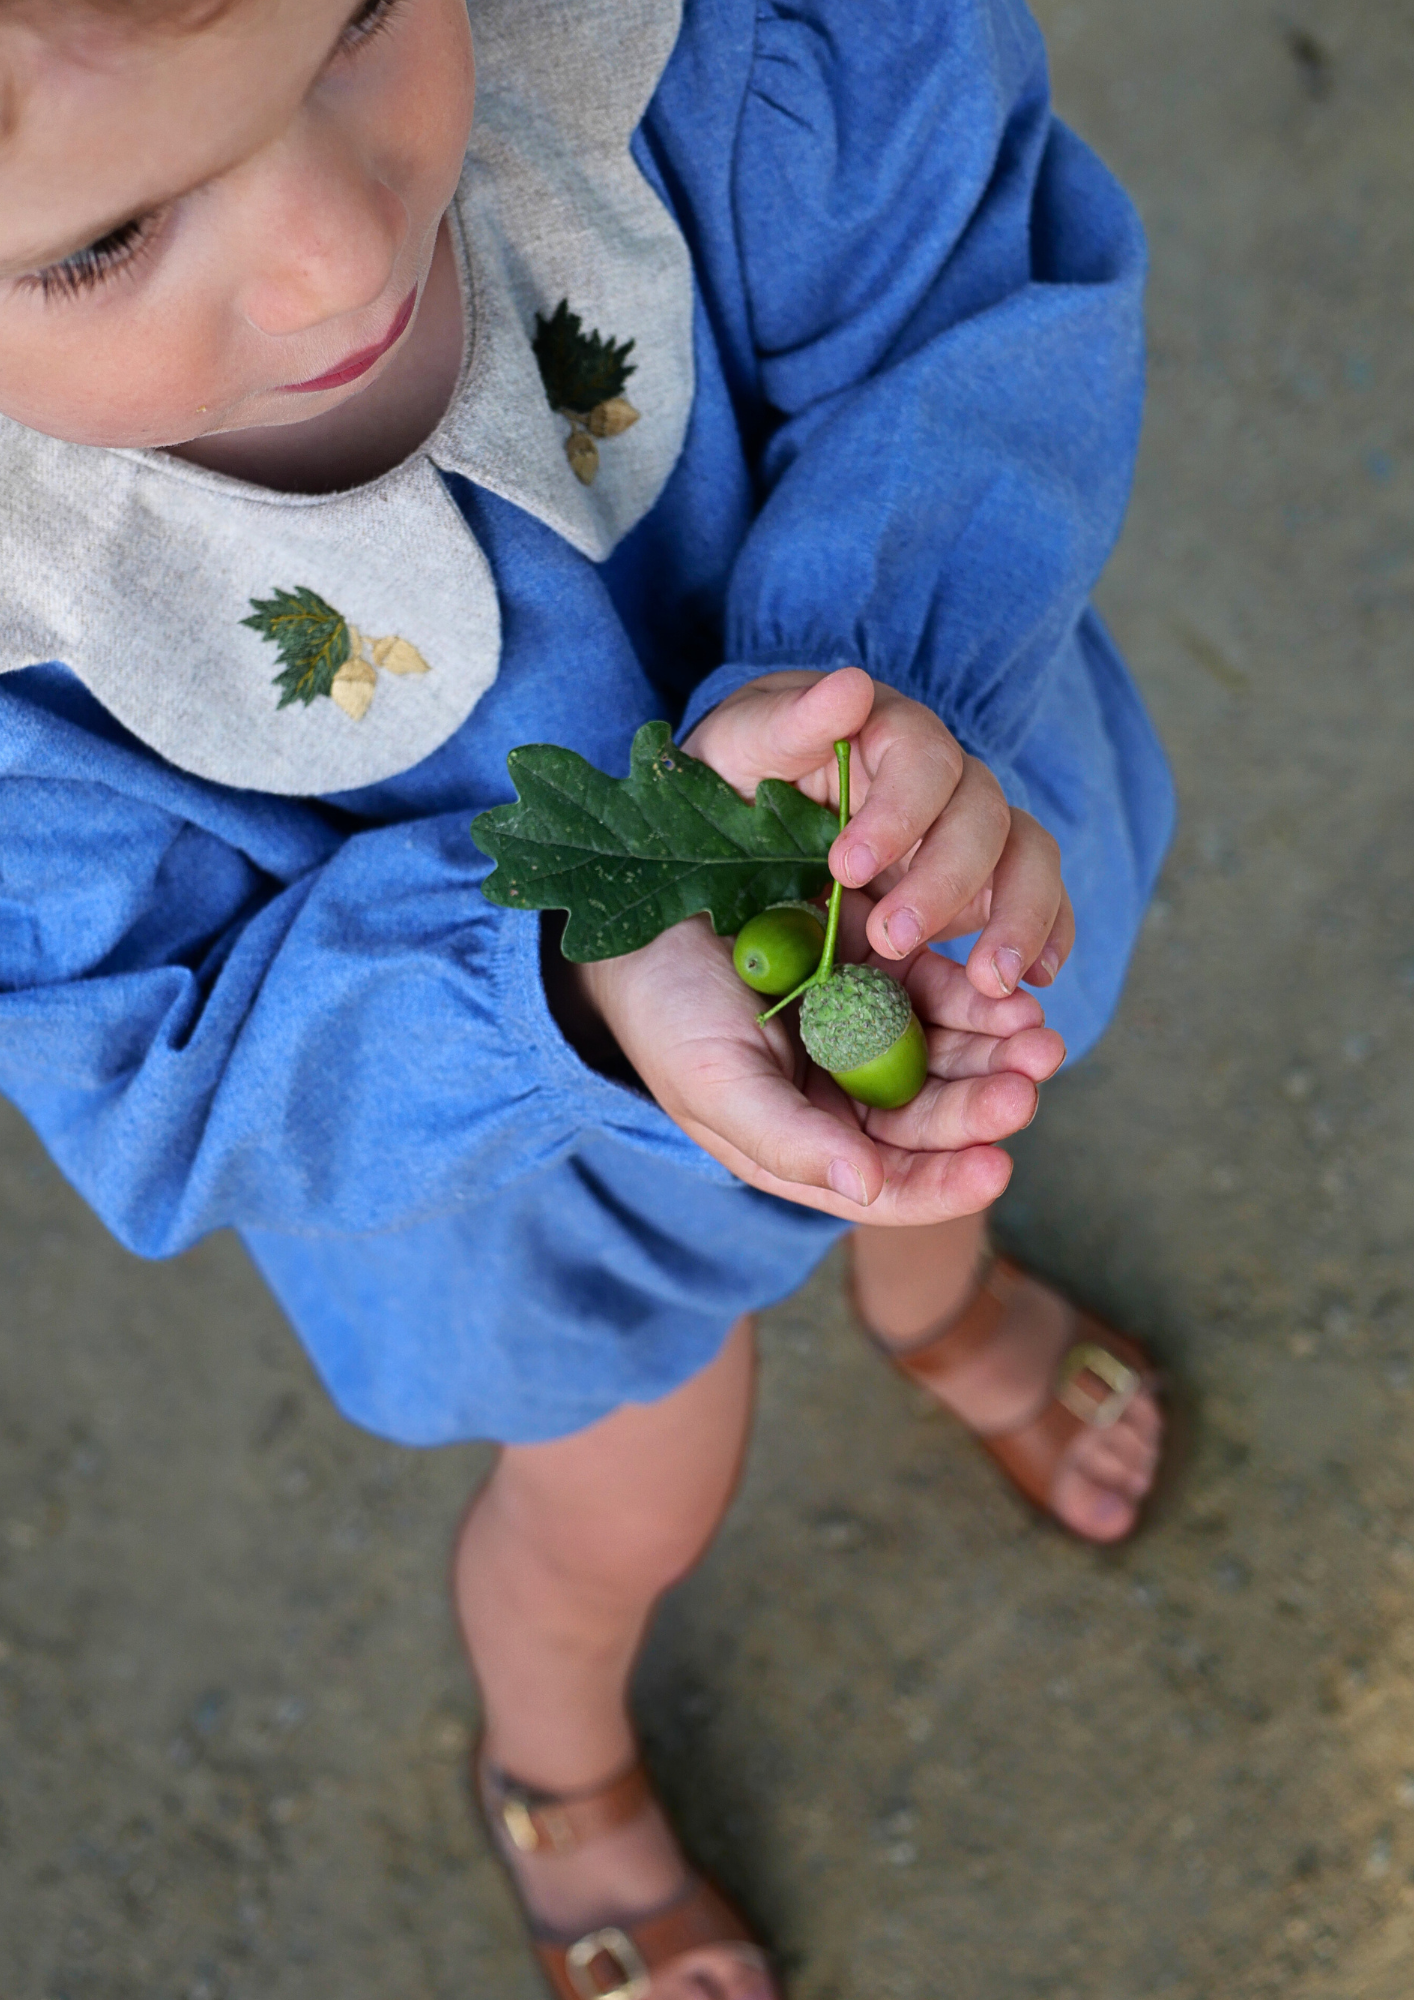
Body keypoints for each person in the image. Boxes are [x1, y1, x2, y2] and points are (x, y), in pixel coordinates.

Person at [0, 0, 1174, 1993]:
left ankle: (939, 1296)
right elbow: (164, 1065)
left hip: (909, 889)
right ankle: (559, 1760)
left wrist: (876, 692)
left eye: (359, 18)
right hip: (521, 1186)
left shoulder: (679, 51)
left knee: (943, 1093)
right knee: (617, 1498)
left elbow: (958, 295)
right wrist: (554, 977)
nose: (335, 253)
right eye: (100, 241)